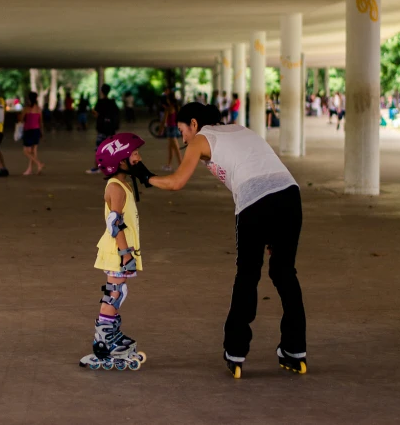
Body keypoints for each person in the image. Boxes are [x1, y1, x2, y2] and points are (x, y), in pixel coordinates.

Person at [127, 102, 307, 379]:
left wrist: (144, 175)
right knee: (284, 272)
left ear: (195, 124)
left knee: (248, 274)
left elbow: (176, 182)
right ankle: (295, 352)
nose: (183, 137)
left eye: (182, 130)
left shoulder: (201, 139)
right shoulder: (241, 129)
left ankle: (235, 352)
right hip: (289, 196)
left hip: (254, 201)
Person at [79, 133, 148, 370]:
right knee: (115, 292)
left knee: (118, 291)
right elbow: (114, 222)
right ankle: (104, 340)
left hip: (119, 249)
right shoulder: (116, 187)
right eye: (135, 154)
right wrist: (125, 253)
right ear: (120, 161)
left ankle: (111, 334)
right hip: (117, 250)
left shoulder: (122, 184)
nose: (139, 157)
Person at [86, 84, 120, 174]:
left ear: (101, 91)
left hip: (102, 128)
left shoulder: (100, 102)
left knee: (99, 148)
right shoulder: (112, 102)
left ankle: (96, 167)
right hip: (111, 129)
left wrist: (93, 111)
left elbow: (96, 113)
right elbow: (117, 113)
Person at [20, 91, 44, 175]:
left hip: (28, 131)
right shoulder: (38, 109)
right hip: (36, 130)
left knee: (26, 151)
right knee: (34, 151)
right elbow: (40, 121)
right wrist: (41, 131)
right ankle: (30, 169)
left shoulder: (26, 109)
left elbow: (21, 119)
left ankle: (39, 164)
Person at [158, 93, 182, 171]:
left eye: (168, 99)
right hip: (175, 128)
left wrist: (160, 129)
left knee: (175, 148)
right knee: (171, 148)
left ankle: (181, 165)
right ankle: (169, 165)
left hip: (171, 129)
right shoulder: (176, 107)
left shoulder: (168, 108)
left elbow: (164, 120)